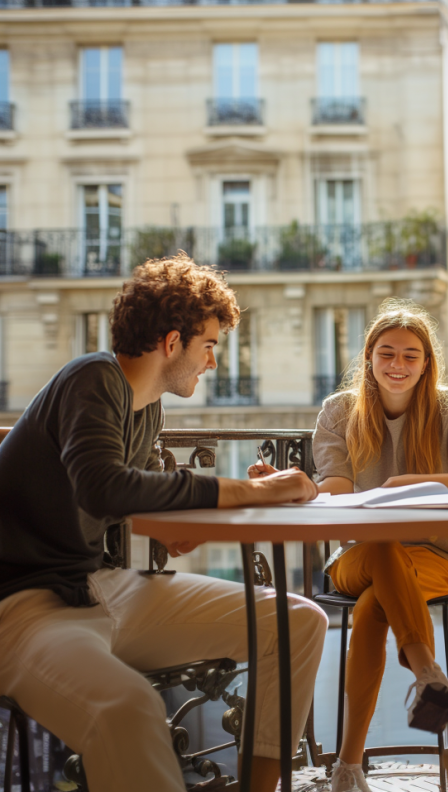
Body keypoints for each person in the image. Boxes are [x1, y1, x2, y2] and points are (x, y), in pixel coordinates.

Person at [0, 253, 328, 792]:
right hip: (27, 607)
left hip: (104, 588)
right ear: (172, 343)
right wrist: (254, 490)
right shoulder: (92, 378)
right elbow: (103, 487)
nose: (213, 363)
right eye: (210, 346)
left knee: (298, 622)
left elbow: (170, 530)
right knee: (127, 709)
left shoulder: (147, 408)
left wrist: (256, 495)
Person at [251, 299, 448, 792]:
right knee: (379, 541)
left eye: (411, 356)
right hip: (358, 557)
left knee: (377, 604)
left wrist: (417, 481)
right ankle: (427, 673)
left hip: (437, 559)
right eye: (387, 354)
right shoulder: (339, 411)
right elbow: (335, 485)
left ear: (426, 363)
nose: (398, 365)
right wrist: (290, 484)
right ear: (370, 357)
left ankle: (348, 766)